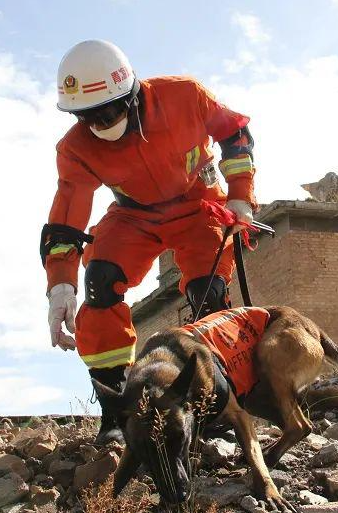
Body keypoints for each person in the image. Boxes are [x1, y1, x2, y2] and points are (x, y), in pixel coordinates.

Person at [41, 40, 257, 444]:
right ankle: (117, 415)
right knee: (100, 283)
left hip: (198, 204)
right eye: (86, 117)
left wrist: (241, 194)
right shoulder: (75, 149)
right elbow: (66, 220)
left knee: (207, 292)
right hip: (134, 215)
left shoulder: (185, 95)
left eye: (107, 112)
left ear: (131, 93)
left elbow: (234, 132)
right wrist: (60, 287)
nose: (99, 125)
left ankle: (212, 408)